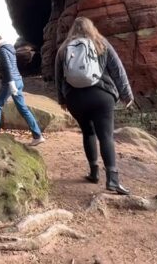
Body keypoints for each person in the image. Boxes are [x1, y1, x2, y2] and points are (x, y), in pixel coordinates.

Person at [55, 17, 134, 195]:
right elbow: (117, 69)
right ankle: (113, 180)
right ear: (92, 28)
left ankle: (94, 172)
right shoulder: (101, 43)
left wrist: (62, 99)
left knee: (88, 132)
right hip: (102, 96)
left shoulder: (64, 49)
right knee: (106, 136)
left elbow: (58, 77)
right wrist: (126, 94)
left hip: (75, 98)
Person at [0, 33, 45, 146]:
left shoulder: (3, 50)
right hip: (18, 80)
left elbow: (8, 67)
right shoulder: (10, 48)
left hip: (10, 82)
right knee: (23, 109)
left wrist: (11, 83)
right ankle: (38, 136)